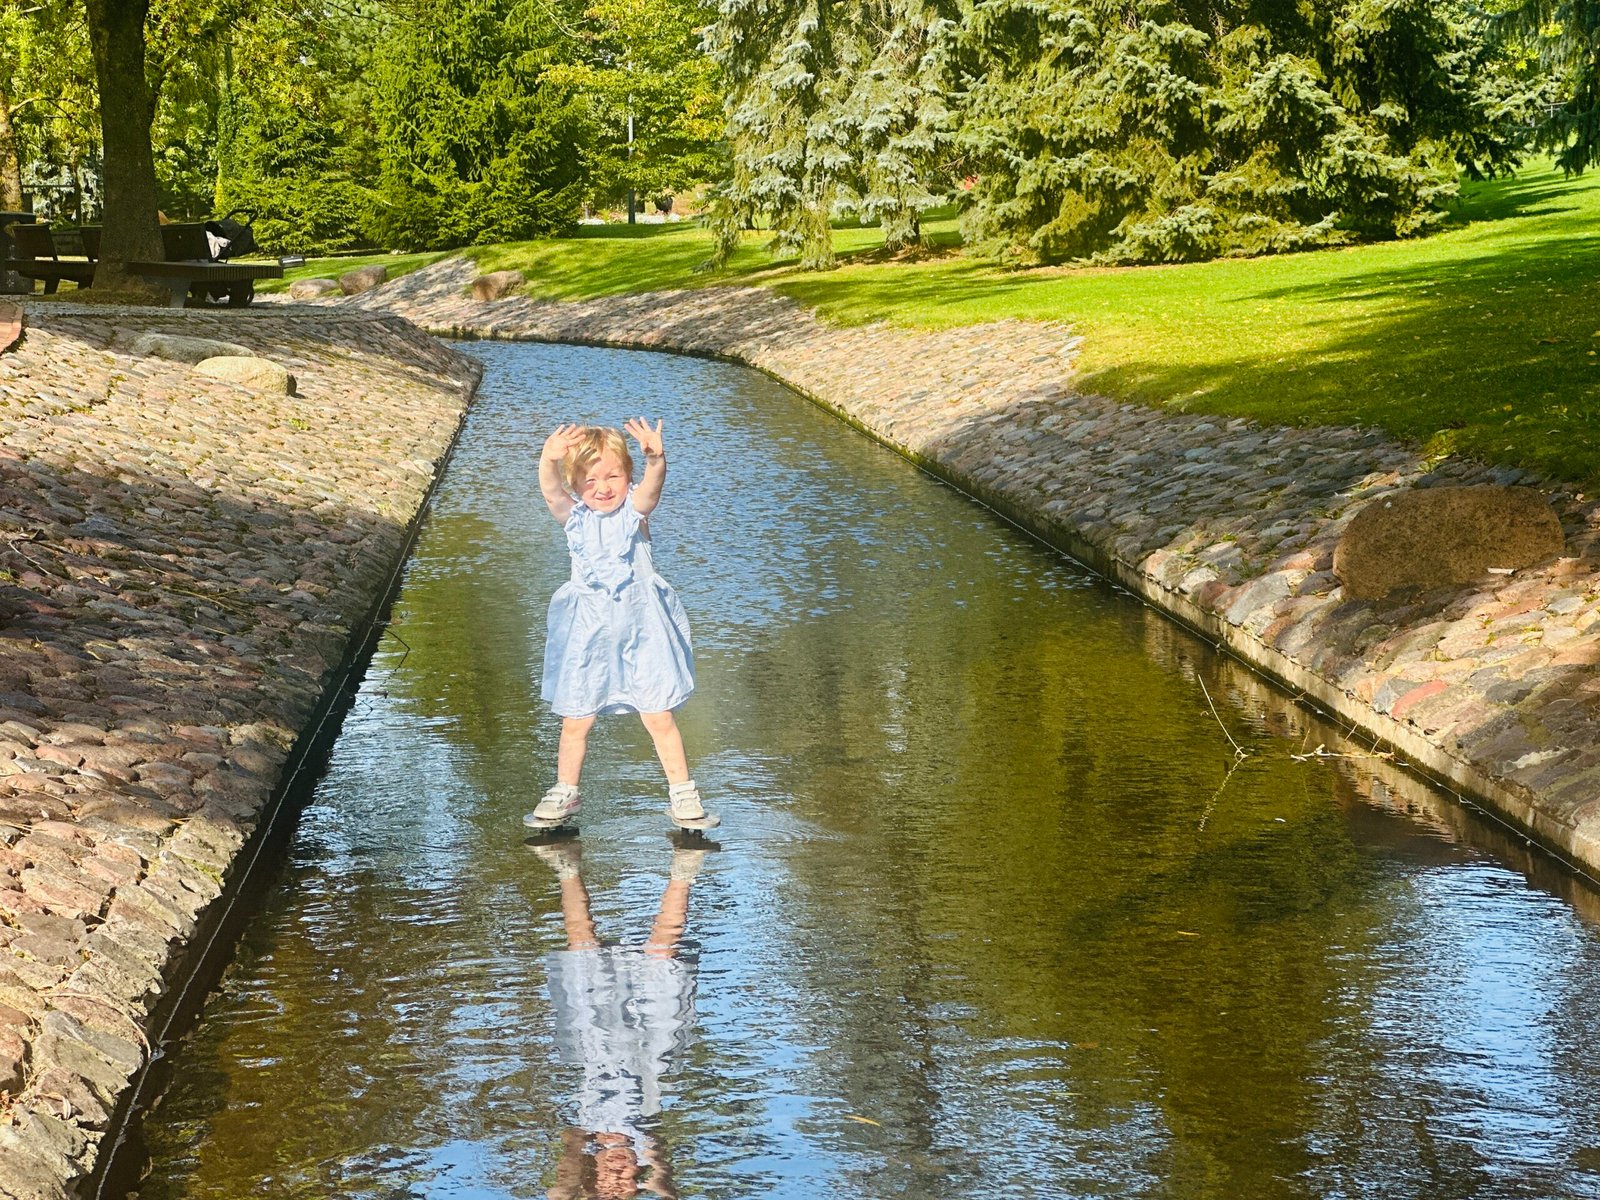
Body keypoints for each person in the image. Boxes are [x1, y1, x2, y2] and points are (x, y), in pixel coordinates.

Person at [526, 420, 718, 830]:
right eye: (590, 479)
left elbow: (652, 491)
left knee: (658, 714)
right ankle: (565, 790)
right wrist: (548, 458)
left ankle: (683, 792)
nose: (603, 486)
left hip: (642, 630)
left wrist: (656, 459)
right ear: (576, 485)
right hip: (589, 633)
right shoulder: (574, 518)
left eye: (613, 475)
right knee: (576, 718)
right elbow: (550, 491)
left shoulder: (634, 510)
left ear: (628, 476)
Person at [533, 838, 705, 1199]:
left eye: (606, 1187)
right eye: (624, 1187)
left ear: (592, 1178)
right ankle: (686, 865)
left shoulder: (581, 1136)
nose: (616, 1177)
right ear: (637, 1175)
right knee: (664, 952)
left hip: (595, 1045)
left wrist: (577, 1186)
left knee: (582, 947)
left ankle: (566, 865)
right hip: (652, 1047)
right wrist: (653, 1179)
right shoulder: (647, 1138)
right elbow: (667, 1189)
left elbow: (561, 1190)